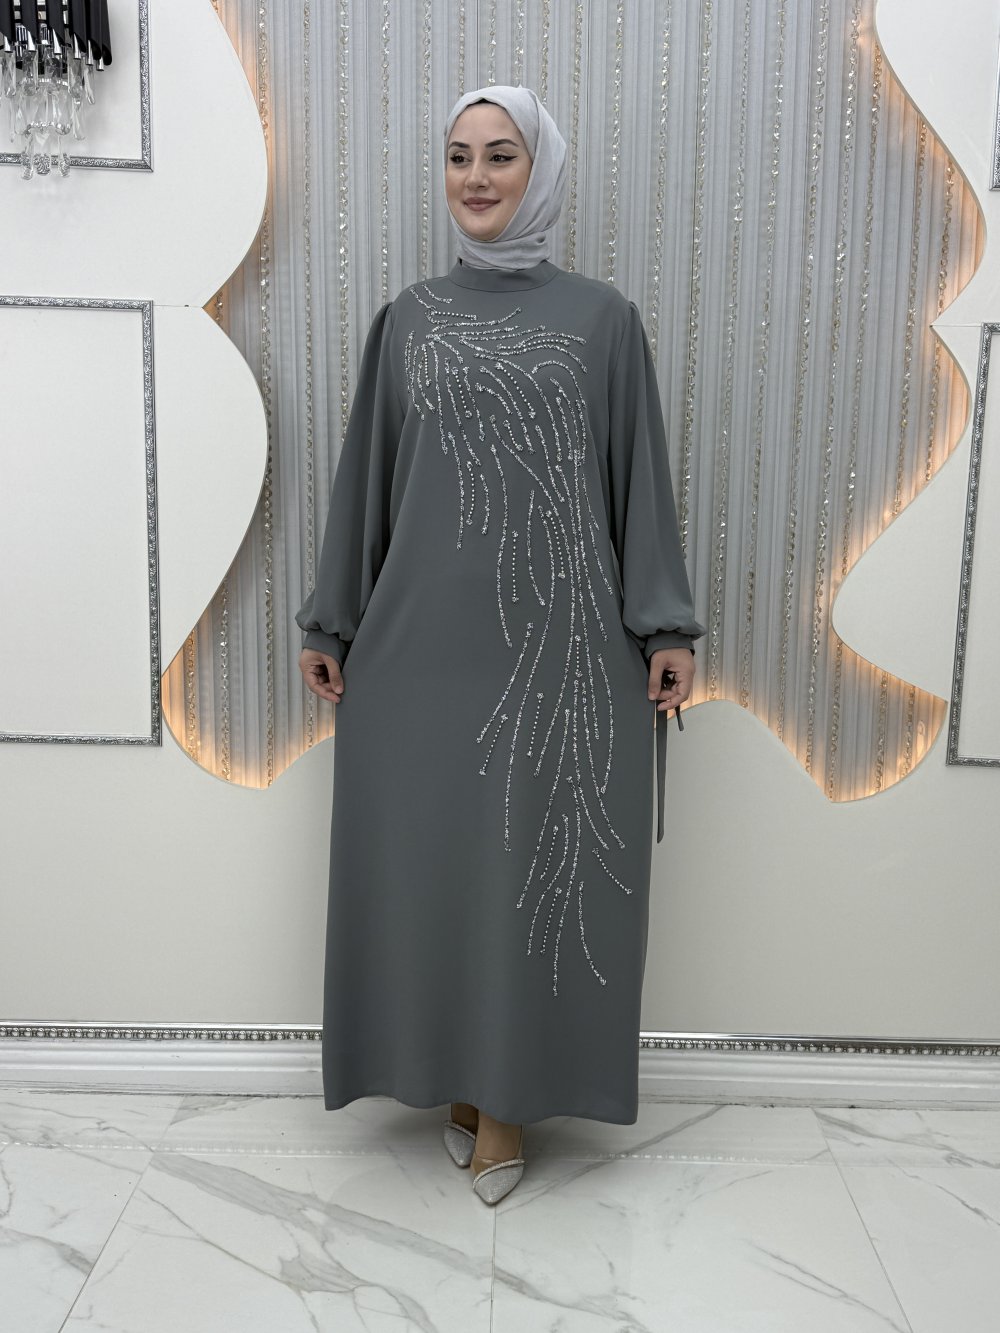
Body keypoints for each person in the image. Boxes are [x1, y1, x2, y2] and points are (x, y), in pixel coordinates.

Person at [296, 84, 704, 1205]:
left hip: (554, 649)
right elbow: (368, 479)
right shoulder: (409, 320)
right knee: (437, 874)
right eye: (458, 156)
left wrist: (664, 624)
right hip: (416, 658)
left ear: (542, 171)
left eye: (501, 155)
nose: (475, 177)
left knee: (527, 872)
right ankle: (461, 1083)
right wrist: (332, 617)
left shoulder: (602, 321)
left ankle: (508, 1102)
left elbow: (637, 481)